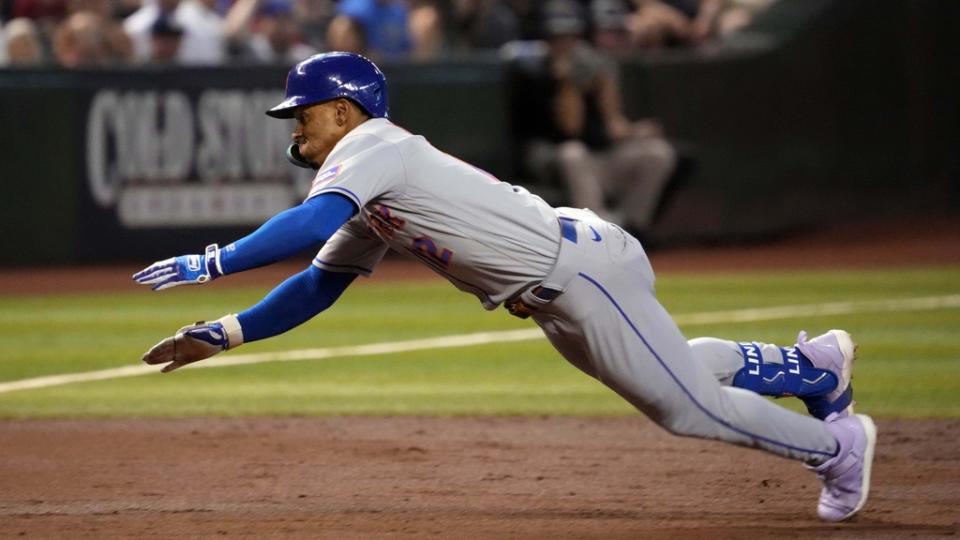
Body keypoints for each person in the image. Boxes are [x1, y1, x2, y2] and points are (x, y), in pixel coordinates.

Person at [133, 51, 876, 523]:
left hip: (579, 274)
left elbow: (307, 222)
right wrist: (224, 332)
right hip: (568, 280)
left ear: (341, 111)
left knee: (683, 409)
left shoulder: (373, 147)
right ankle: (808, 369)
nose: (293, 129)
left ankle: (836, 448)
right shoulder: (377, 197)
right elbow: (317, 284)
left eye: (299, 115)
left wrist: (212, 262)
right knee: (669, 374)